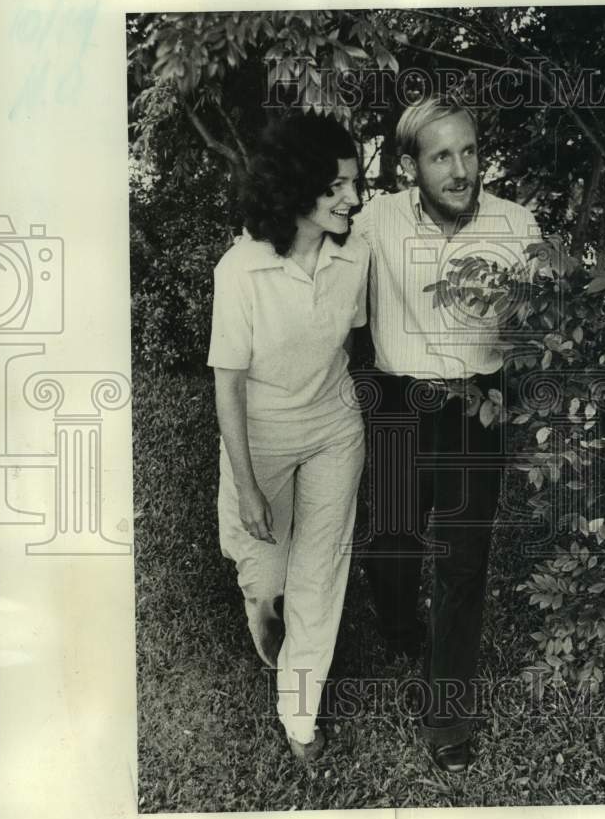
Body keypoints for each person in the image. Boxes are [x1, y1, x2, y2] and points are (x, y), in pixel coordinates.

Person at [351, 94, 538, 773]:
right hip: (397, 405)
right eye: (441, 157)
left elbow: (539, 327)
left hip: (475, 407)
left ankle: (448, 715)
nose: (461, 170)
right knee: (393, 538)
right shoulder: (375, 220)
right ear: (410, 167)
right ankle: (399, 624)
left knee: (463, 562)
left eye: (469, 151)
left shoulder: (516, 225)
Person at [207, 111, 368, 763]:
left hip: (334, 427)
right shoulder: (241, 270)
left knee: (317, 574)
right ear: (295, 187)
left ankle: (299, 716)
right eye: (335, 187)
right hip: (262, 434)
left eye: (354, 184)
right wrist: (247, 488)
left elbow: (346, 342)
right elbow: (227, 385)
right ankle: (264, 608)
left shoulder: (354, 254)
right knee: (265, 572)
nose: (351, 198)